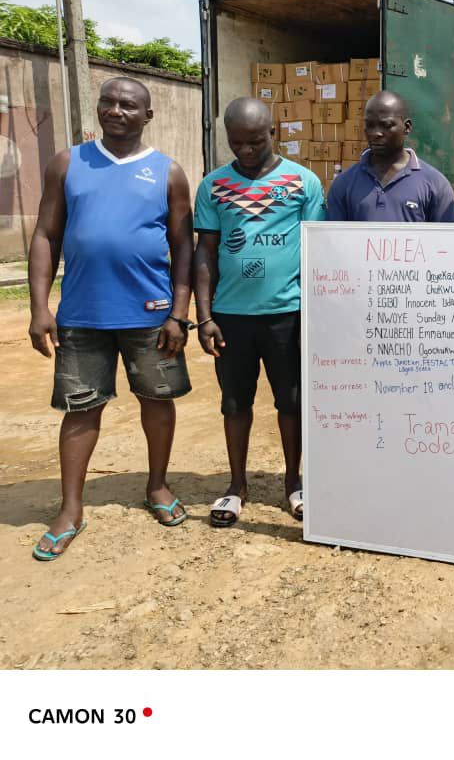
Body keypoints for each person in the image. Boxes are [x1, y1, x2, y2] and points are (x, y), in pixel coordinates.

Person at [28, 77, 194, 559]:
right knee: (80, 407)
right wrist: (40, 307)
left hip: (151, 315)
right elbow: (45, 234)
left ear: (147, 116)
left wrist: (179, 313)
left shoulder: (168, 172)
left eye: (128, 105)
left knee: (157, 401)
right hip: (83, 315)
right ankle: (70, 509)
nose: (116, 110)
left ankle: (157, 486)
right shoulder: (68, 163)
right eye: (108, 102)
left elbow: (183, 246)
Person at [193, 97, 326, 527]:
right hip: (230, 317)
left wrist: (315, 315)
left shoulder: (303, 183)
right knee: (235, 404)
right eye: (236, 142)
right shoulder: (213, 186)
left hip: (288, 314)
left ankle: (294, 483)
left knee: (291, 401)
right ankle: (237, 486)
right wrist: (204, 316)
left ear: (273, 132)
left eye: (255, 141)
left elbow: (317, 249)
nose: (246, 150)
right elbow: (205, 251)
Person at [327, 90, 454, 222]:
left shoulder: (435, 184)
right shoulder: (344, 184)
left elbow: (447, 234)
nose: (376, 133)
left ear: (407, 127)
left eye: (386, 125)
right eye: (370, 125)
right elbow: (334, 234)